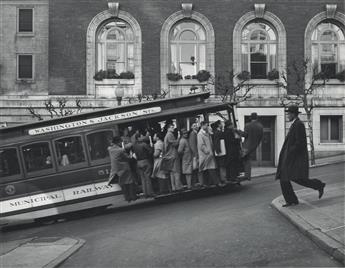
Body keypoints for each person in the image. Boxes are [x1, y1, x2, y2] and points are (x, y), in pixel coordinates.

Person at [276, 105, 326, 207]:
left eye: (289, 114)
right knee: (288, 179)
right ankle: (292, 200)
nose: (287, 115)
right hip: (291, 158)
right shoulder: (295, 124)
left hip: (295, 159)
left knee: (294, 178)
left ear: (293, 114)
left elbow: (301, 143)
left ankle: (318, 185)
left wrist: (290, 151)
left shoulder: (299, 124)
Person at [108, 136, 137, 202]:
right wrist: (132, 156)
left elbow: (110, 146)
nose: (121, 143)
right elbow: (127, 158)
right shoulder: (120, 150)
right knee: (130, 182)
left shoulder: (110, 149)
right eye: (120, 141)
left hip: (116, 170)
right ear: (118, 142)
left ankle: (127, 198)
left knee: (122, 183)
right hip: (124, 168)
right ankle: (133, 196)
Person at [238, 112, 264, 180]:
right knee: (248, 160)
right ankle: (248, 175)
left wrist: (238, 131)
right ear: (257, 118)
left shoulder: (247, 125)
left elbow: (245, 135)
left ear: (250, 118)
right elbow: (261, 137)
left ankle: (243, 174)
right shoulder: (260, 126)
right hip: (254, 146)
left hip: (246, 146)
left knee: (242, 159)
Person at [197, 121, 221, 186]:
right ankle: (216, 182)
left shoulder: (207, 133)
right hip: (206, 154)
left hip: (209, 154)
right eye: (206, 125)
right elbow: (201, 145)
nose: (207, 127)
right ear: (202, 126)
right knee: (210, 168)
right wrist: (207, 151)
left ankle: (209, 183)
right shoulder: (200, 134)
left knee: (208, 169)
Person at [132, 133, 154, 198]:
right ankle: (150, 192)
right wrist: (151, 147)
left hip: (138, 162)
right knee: (147, 178)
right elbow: (150, 151)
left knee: (142, 178)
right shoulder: (144, 144)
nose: (143, 137)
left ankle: (145, 193)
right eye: (142, 136)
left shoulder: (134, 145)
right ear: (138, 138)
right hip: (145, 161)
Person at [164, 123, 182, 191]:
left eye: (173, 127)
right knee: (176, 171)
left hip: (169, 155)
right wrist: (179, 137)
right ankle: (178, 187)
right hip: (173, 155)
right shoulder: (170, 135)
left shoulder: (167, 135)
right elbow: (175, 143)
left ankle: (173, 187)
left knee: (172, 172)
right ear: (168, 128)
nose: (173, 128)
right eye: (171, 127)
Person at [211, 120, 227, 185]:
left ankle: (222, 178)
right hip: (220, 151)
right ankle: (223, 179)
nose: (222, 124)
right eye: (221, 123)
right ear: (218, 125)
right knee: (222, 165)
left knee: (221, 165)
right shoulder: (217, 132)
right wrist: (218, 151)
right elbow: (217, 142)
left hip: (220, 151)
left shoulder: (217, 132)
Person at [189, 122, 204, 187]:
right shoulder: (193, 134)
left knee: (198, 169)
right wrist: (196, 154)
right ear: (192, 127)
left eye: (196, 125)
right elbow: (193, 145)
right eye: (194, 126)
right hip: (196, 154)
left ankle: (200, 182)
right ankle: (199, 183)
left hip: (197, 153)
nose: (196, 126)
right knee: (197, 169)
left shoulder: (195, 133)